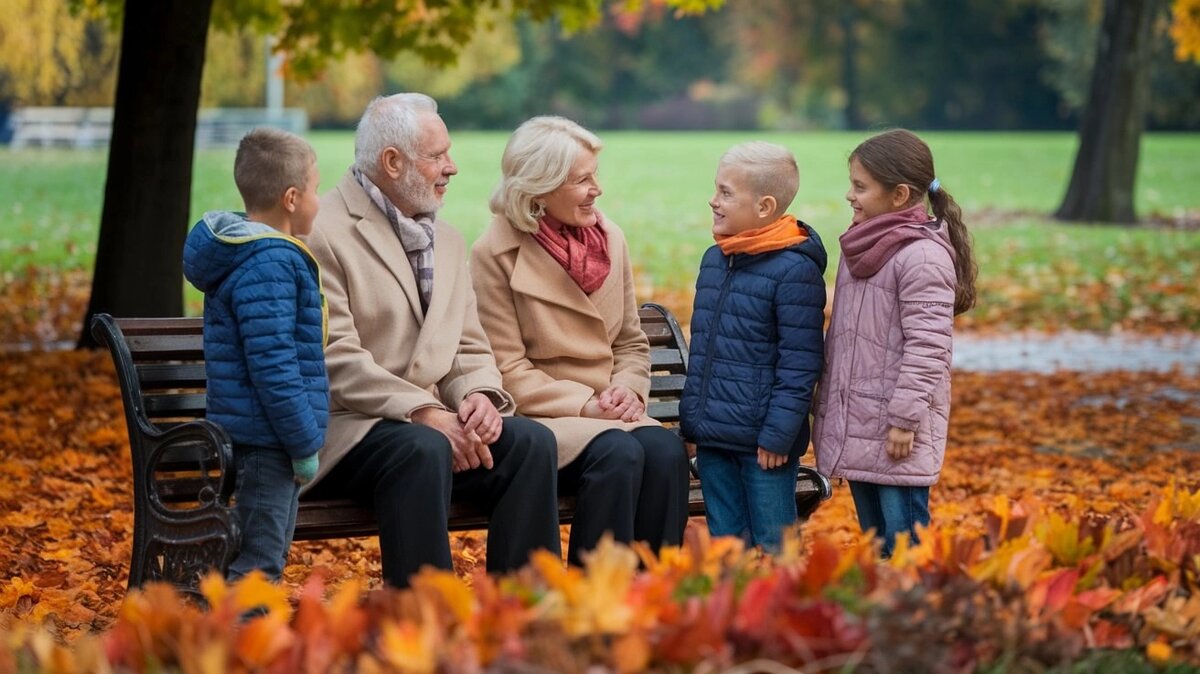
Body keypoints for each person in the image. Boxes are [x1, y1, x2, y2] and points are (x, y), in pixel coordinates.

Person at [300, 93, 561, 588]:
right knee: (421, 448)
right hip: (349, 429)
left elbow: (468, 346)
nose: (452, 167)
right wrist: (425, 412)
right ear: (392, 162)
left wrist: (479, 397)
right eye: (437, 155)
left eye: (449, 153)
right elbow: (334, 357)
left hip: (430, 427)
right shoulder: (322, 232)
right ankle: (428, 621)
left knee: (529, 442)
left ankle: (526, 613)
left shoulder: (448, 239)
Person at [470, 116, 690, 565]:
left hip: (610, 407)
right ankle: (592, 604)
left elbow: (631, 341)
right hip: (547, 416)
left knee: (666, 451)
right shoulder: (493, 254)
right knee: (619, 452)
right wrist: (586, 404)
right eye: (583, 180)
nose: (597, 189)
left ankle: (655, 600)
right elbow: (506, 368)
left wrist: (629, 391)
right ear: (539, 188)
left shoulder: (611, 240)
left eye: (595, 176)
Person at [812, 128, 977, 558]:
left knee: (905, 544)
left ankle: (916, 615)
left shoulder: (921, 257)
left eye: (861, 187)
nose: (850, 195)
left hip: (896, 429)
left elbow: (929, 348)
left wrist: (905, 419)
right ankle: (882, 614)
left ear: (900, 194)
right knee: (876, 542)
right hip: (862, 421)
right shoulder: (863, 246)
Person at [182, 127, 328, 581]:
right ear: (290, 198)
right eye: (315, 189)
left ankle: (243, 640)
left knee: (268, 556)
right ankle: (241, 645)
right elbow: (274, 365)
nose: (318, 200)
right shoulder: (271, 262)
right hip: (268, 441)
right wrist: (303, 443)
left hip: (267, 437)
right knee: (259, 565)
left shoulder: (255, 255)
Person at [679, 141, 827, 553]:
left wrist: (779, 436)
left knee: (774, 544)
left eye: (726, 193)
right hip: (714, 439)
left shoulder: (794, 270)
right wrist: (694, 423)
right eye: (716, 189)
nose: (714, 201)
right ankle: (733, 615)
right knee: (727, 544)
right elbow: (705, 350)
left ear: (764, 206)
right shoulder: (716, 259)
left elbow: (800, 364)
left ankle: (780, 615)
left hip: (765, 447)